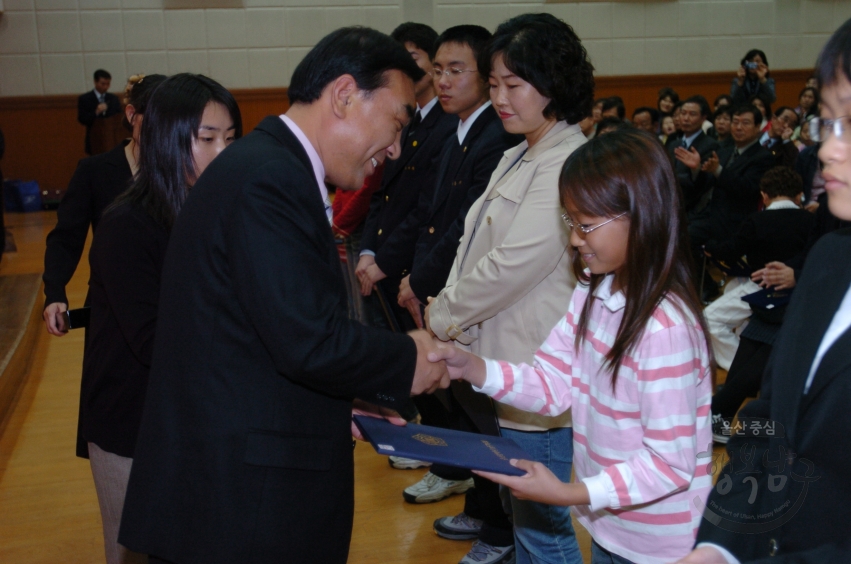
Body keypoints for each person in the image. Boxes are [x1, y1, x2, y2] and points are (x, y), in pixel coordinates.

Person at [117, 28, 450, 564]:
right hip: (240, 511)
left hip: (235, 491)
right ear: (344, 94)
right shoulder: (269, 179)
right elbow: (307, 339)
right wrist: (409, 356)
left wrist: (342, 398)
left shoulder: (268, 167)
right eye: (396, 123)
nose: (393, 148)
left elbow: (254, 339)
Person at [430, 128, 713, 564]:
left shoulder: (665, 328)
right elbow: (554, 383)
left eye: (585, 225)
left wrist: (569, 492)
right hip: (610, 524)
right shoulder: (592, 290)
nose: (575, 239)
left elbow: (668, 464)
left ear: (641, 216)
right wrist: (472, 367)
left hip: (662, 544)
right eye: (570, 222)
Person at [677, 17, 851, 564]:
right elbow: (770, 418)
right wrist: (719, 547)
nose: (828, 151)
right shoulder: (828, 261)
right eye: (828, 124)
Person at [424, 13, 593, 564]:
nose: (499, 97)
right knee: (526, 520)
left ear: (553, 85)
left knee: (543, 530)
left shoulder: (566, 160)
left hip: (535, 371)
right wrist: (446, 306)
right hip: (501, 364)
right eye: (493, 84)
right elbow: (471, 247)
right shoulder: (518, 153)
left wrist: (442, 316)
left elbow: (512, 264)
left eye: (513, 85)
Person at [80, 73, 241, 564]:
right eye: (206, 139)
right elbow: (156, 343)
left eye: (230, 140)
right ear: (168, 140)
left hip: (199, 415)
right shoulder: (127, 224)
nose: (222, 153)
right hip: (134, 425)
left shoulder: (218, 209)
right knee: (133, 553)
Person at [394, 25, 523, 564]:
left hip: (470, 299)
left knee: (486, 418)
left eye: (456, 70)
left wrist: (423, 283)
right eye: (438, 69)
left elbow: (466, 234)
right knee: (466, 413)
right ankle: (482, 504)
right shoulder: (458, 127)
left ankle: (500, 529)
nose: (441, 80)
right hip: (444, 290)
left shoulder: (496, 136)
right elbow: (433, 218)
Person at [43, 74, 167, 336]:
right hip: (111, 308)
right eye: (155, 118)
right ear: (132, 114)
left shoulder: (182, 171)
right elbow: (66, 238)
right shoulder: (94, 171)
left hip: (167, 307)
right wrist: (55, 291)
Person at [356, 22, 457, 331]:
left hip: (411, 269)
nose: (405, 67)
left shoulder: (450, 126)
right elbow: (382, 193)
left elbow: (426, 209)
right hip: (383, 264)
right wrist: (368, 250)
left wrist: (384, 262)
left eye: (413, 57)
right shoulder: (409, 119)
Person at [667, 96, 720, 216]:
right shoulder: (674, 144)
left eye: (692, 114)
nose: (686, 118)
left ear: (703, 118)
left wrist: (695, 170)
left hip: (694, 208)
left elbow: (705, 184)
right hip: (671, 204)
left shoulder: (710, 145)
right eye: (683, 113)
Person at [78, 69, 122, 155]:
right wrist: (96, 112)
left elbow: (119, 116)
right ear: (95, 82)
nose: (105, 86)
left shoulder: (113, 98)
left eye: (108, 84)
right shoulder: (85, 99)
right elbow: (82, 119)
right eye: (102, 84)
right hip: (94, 139)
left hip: (112, 139)